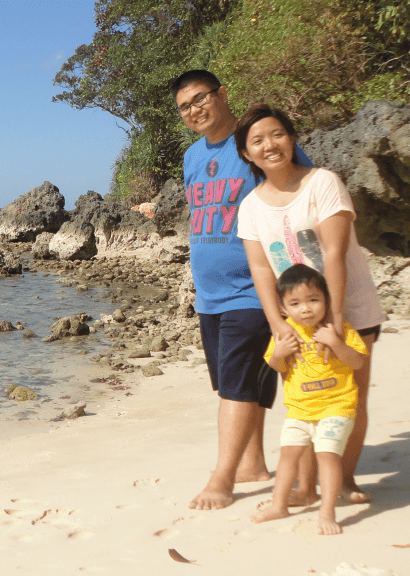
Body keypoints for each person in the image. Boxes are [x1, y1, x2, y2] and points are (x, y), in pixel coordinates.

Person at [170, 70, 312, 510]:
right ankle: (253, 464)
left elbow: (304, 199)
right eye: (185, 106)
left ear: (222, 94)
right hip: (209, 293)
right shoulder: (193, 157)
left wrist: (305, 286)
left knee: (235, 387)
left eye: (201, 98)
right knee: (235, 383)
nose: (195, 110)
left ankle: (223, 479)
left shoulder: (255, 143)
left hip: (256, 289)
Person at [234, 104, 386, 504]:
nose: (270, 144)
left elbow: (334, 253)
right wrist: (277, 323)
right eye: (258, 140)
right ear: (246, 154)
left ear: (293, 137)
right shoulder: (250, 206)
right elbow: (261, 268)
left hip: (348, 311)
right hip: (295, 321)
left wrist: (335, 321)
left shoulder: (323, 183)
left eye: (277, 134)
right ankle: (304, 487)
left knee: (349, 397)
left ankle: (347, 479)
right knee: (303, 402)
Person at [250, 264, 368, 535]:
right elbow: (278, 367)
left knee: (327, 455)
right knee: (287, 456)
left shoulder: (339, 329)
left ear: (326, 300)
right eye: (295, 303)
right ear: (283, 309)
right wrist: (279, 353)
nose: (306, 308)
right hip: (299, 410)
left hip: (337, 406)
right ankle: (279, 505)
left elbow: (357, 363)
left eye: (314, 300)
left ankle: (327, 513)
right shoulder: (285, 333)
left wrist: (336, 342)